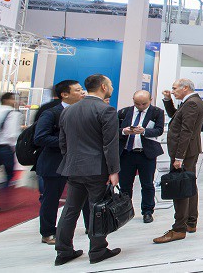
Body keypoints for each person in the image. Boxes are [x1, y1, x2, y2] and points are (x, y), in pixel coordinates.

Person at [53, 74, 121, 266]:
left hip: (73, 167)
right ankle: (98, 250)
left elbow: (63, 142)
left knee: (70, 210)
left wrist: (70, 160)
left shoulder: (68, 111)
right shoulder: (106, 110)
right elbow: (110, 144)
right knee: (97, 209)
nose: (112, 88)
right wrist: (113, 170)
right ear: (103, 87)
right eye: (110, 85)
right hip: (96, 169)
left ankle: (63, 251)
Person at [154, 78, 203, 244]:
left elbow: (186, 131)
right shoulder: (192, 102)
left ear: (185, 88)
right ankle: (190, 222)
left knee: (181, 188)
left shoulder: (192, 104)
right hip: (188, 152)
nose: (173, 91)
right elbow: (176, 117)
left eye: (175, 88)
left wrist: (179, 157)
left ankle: (179, 228)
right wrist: (167, 100)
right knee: (188, 185)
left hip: (184, 153)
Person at [34, 80, 85, 244]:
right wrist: (67, 142)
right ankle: (48, 232)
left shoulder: (81, 112)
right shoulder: (51, 113)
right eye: (77, 90)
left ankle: (91, 227)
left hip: (78, 162)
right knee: (51, 199)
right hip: (54, 163)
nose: (82, 92)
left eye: (81, 89)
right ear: (64, 94)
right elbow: (40, 137)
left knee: (84, 195)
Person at [117, 90, 165, 223]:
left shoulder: (157, 112)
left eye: (144, 104)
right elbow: (114, 130)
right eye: (137, 104)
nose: (140, 106)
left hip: (146, 154)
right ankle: (125, 211)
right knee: (125, 185)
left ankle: (147, 211)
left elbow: (159, 130)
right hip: (126, 153)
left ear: (150, 100)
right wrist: (124, 131)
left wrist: (144, 131)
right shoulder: (123, 112)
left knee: (147, 184)